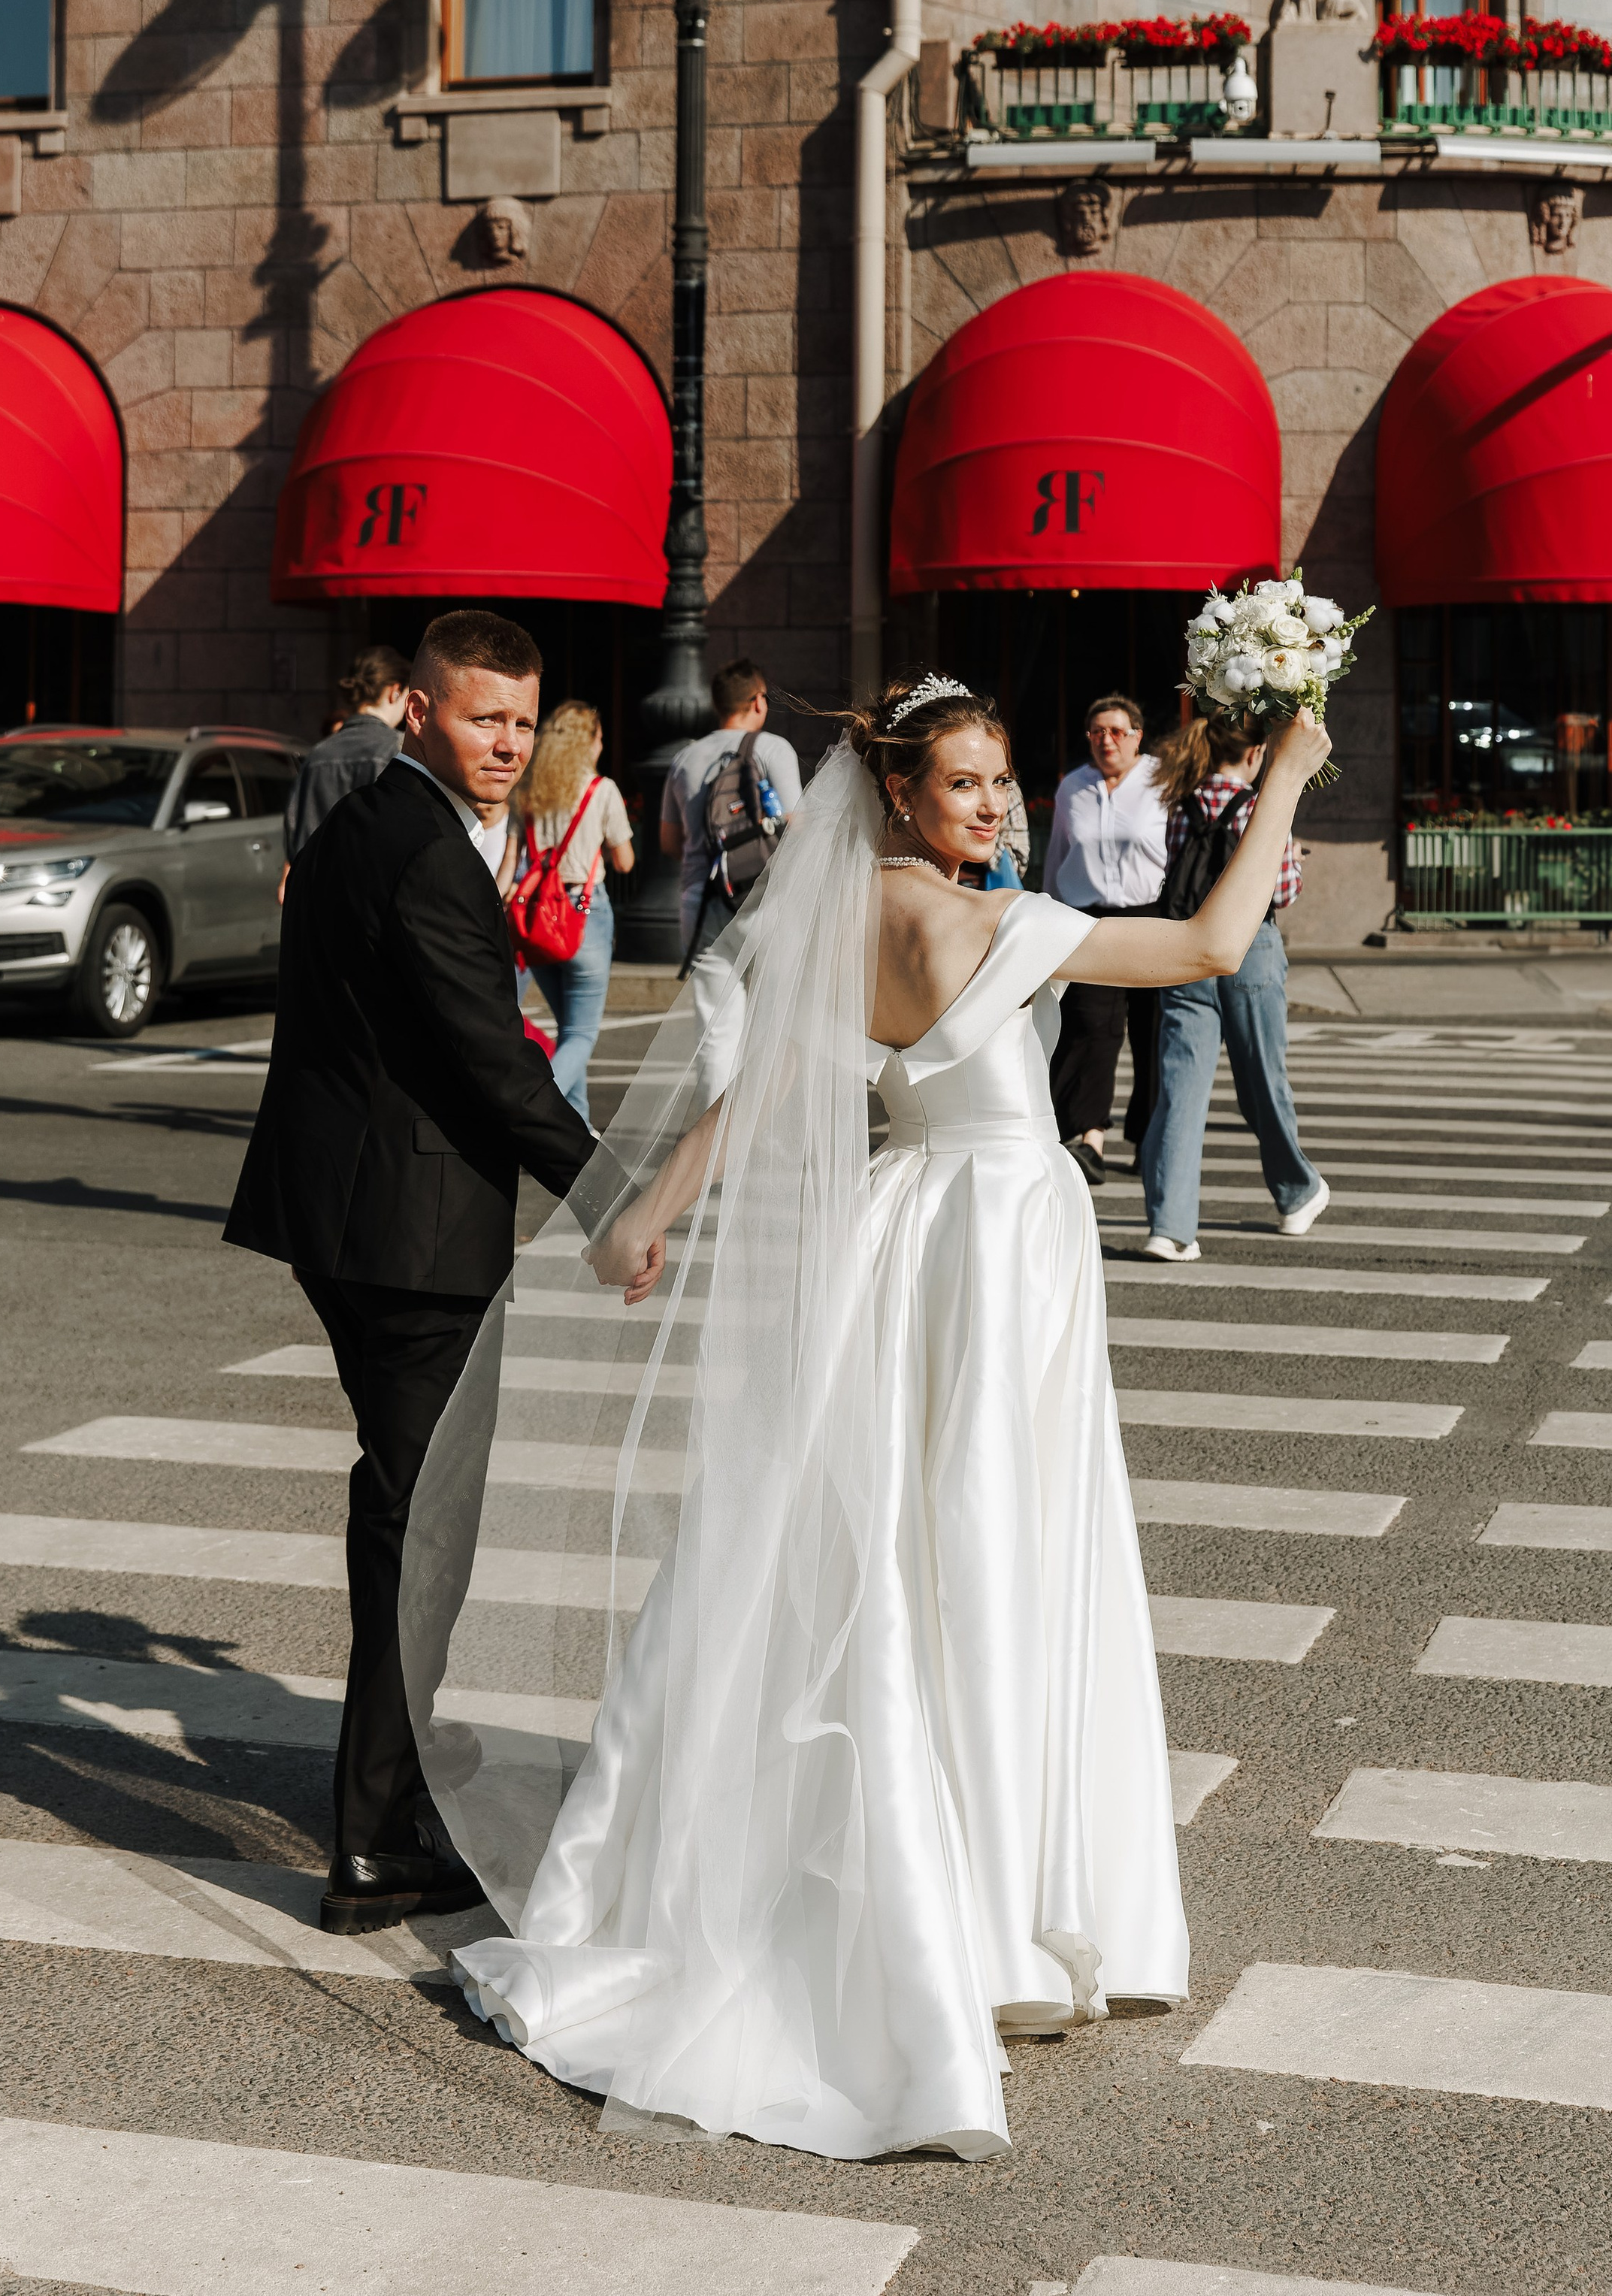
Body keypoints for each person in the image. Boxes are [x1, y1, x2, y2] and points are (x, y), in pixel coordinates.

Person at [402, 673, 1331, 2159]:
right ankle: (1002, 1916)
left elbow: (758, 1095)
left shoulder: (842, 923)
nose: (990, 804)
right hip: (1003, 1255)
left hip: (898, 1248)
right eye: (962, 782)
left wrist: (645, 1213)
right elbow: (1214, 941)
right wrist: (1285, 768)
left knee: (901, 1545)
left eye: (999, 783)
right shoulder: (994, 928)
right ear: (896, 792)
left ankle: (934, 1885)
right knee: (990, 1544)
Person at [225, 610, 602, 1938]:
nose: (505, 743)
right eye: (481, 717)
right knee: (418, 1526)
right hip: (411, 1236)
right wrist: (614, 1197)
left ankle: (394, 1802)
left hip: (342, 1215)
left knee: (404, 1514)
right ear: (422, 710)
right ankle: (375, 1843)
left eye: (521, 720)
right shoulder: (425, 852)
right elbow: (490, 1067)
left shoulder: (362, 823)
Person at [1137, 715, 1328, 1263]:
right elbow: (1282, 891)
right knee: (1263, 1081)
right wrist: (1291, 860)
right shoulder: (1256, 805)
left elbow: (1172, 875)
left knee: (1181, 1089)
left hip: (1187, 949)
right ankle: (1296, 1194)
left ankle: (1170, 1228)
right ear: (1255, 754)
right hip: (1250, 952)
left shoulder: (1182, 806)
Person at [1042, 694, 1169, 1175]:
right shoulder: (1072, 786)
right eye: (1097, 731)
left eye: (1117, 731)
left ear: (1138, 735)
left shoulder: (1162, 780)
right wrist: (1049, 917)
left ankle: (1150, 1139)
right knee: (1090, 1029)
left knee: (1152, 1030)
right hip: (1089, 921)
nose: (1106, 740)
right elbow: (1058, 856)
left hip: (1152, 916)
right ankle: (1089, 1137)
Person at [504, 700, 635, 1124]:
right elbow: (625, 862)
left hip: (537, 921)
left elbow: (509, 867)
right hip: (585, 913)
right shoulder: (602, 790)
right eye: (599, 737)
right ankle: (529, 1113)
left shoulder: (527, 789)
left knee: (568, 1031)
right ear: (589, 742)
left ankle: (577, 1125)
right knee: (581, 1035)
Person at [659, 658, 803, 966]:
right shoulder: (773, 748)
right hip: (763, 895)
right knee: (770, 1010)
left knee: (714, 1013)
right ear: (757, 702)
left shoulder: (684, 758)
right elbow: (795, 824)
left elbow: (669, 843)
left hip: (702, 898)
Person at [278, 645, 411, 903]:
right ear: (395, 691)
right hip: (376, 904)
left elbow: (296, 836)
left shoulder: (318, 754)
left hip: (319, 900)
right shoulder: (398, 749)